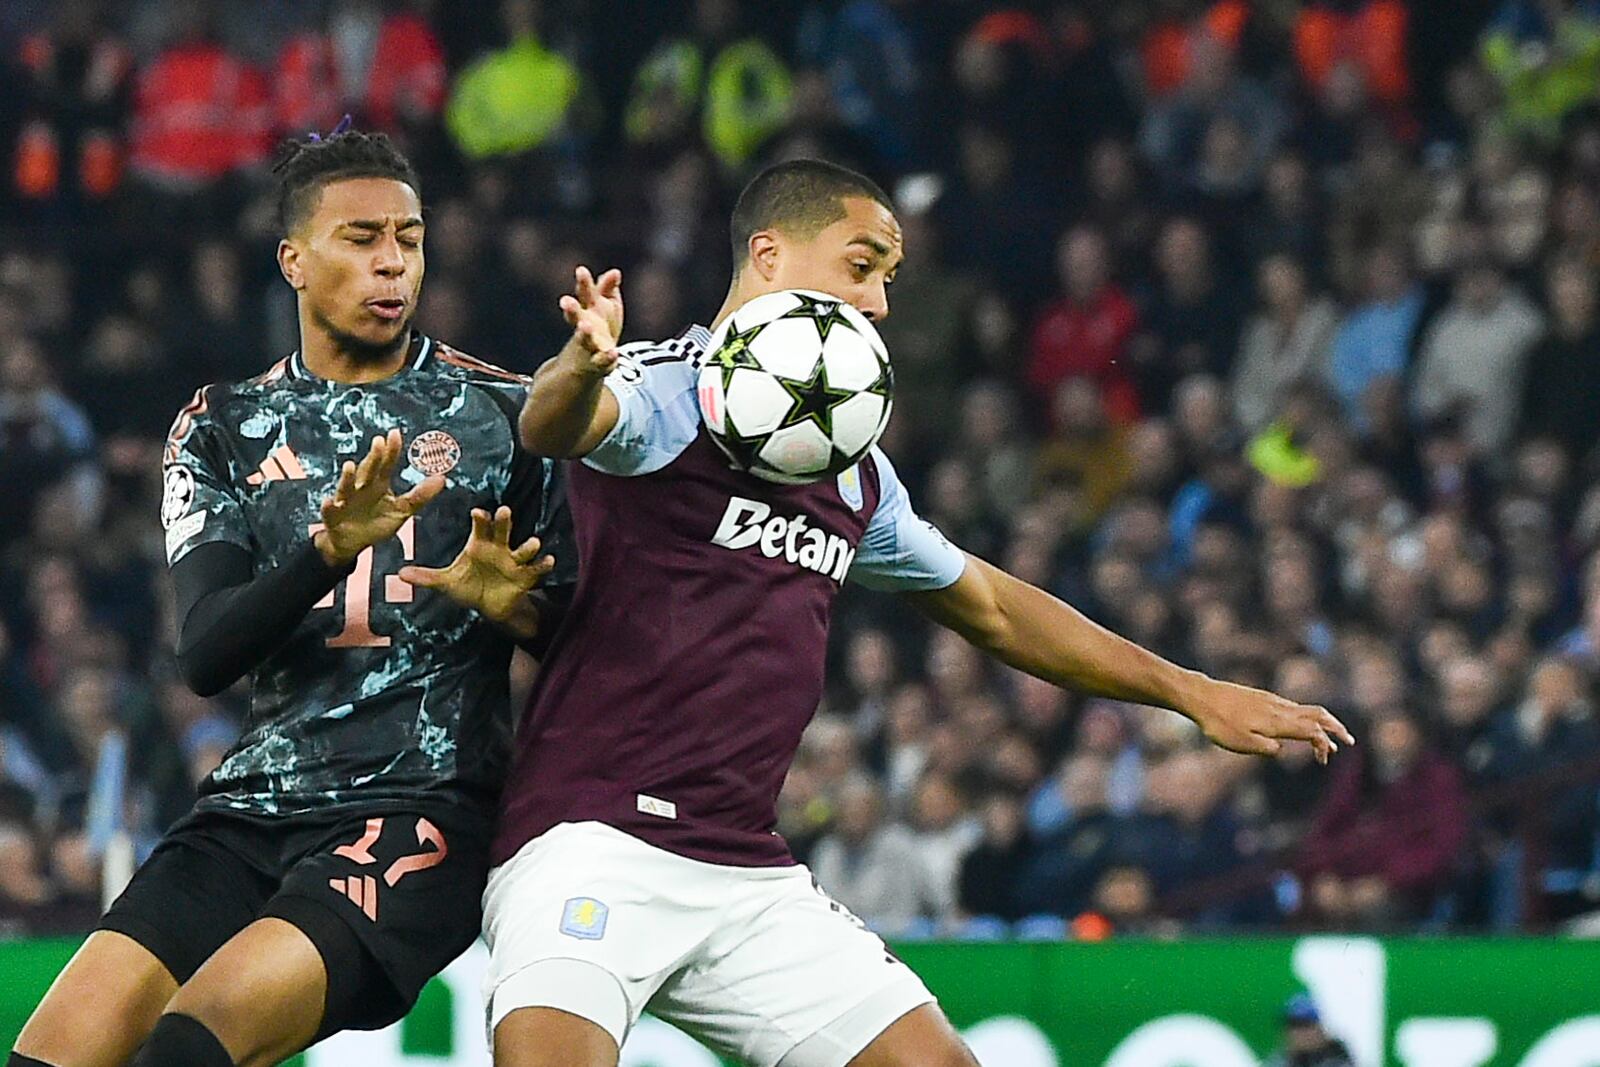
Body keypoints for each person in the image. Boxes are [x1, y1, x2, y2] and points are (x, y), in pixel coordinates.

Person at [487, 158, 1353, 1067]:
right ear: (770, 256)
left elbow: (993, 609)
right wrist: (579, 367)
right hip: (591, 838)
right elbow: (554, 426)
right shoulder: (666, 391)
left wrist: (1187, 690)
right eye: (863, 267)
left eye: (890, 280)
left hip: (741, 866)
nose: (882, 304)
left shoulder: (853, 469)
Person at [11, 128, 572, 1067]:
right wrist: (321, 552)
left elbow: (584, 640)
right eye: (361, 238)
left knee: (188, 1049)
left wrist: (519, 611)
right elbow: (206, 655)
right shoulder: (222, 424)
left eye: (410, 236)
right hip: (251, 807)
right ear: (294, 260)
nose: (393, 262)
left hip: (418, 810)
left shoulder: (507, 415)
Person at [1262, 994, 1356, 1067]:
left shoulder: (1337, 1051)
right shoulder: (1280, 1062)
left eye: (1306, 1025)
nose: (1301, 1034)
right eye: (1294, 1027)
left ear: (1319, 1027)